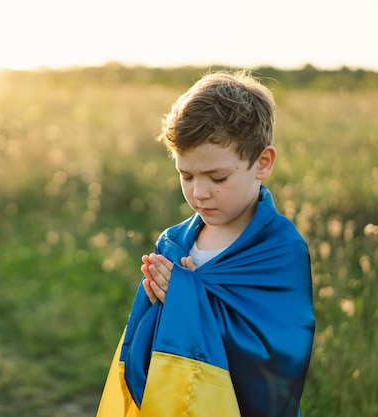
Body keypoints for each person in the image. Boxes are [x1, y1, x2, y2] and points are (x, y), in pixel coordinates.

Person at [96, 69, 315, 417]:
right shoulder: (173, 243)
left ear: (262, 163)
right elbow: (149, 345)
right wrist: (161, 306)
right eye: (186, 175)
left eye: (217, 178)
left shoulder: (281, 249)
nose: (199, 192)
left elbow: (279, 354)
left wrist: (186, 298)